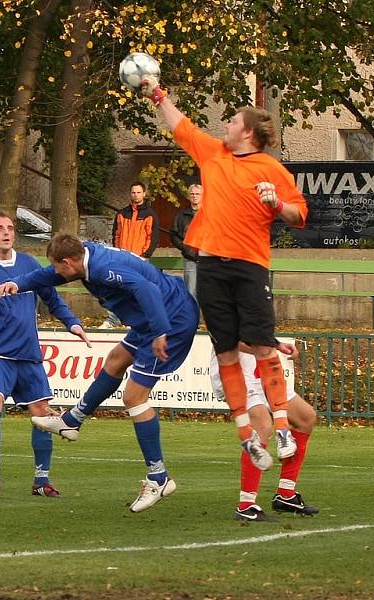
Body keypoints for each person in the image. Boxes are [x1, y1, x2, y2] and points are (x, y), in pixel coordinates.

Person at [141, 77, 308, 470]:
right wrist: (158, 95)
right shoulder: (214, 154)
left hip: (250, 267)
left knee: (264, 347)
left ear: (247, 132)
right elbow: (182, 127)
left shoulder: (270, 167)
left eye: (232, 121)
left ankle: (282, 427)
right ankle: (247, 436)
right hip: (211, 266)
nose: (226, 125)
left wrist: (277, 202)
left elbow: (300, 213)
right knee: (226, 352)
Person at [0, 233, 200, 512]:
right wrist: (17, 284)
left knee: (134, 397)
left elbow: (147, 290)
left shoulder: (103, 269)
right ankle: (72, 421)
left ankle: (159, 477)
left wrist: (160, 330)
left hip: (171, 320)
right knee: (115, 361)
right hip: (157, 315)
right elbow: (49, 275)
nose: (56, 272)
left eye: (58, 266)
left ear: (69, 262)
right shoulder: (85, 257)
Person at [0, 212, 91, 498]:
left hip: (28, 354)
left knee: (42, 414)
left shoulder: (29, 264)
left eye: (10, 228)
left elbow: (53, 300)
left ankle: (41, 481)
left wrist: (73, 323)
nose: (6, 233)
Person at [209, 342, 319, 521]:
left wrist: (277, 345)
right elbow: (228, 337)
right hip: (235, 372)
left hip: (261, 372)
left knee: (305, 418)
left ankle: (286, 494)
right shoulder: (226, 313)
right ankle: (246, 505)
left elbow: (258, 329)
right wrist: (267, 349)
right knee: (263, 425)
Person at [101, 181, 160, 328]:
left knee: (136, 290)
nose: (136, 195)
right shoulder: (122, 213)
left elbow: (152, 237)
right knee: (116, 288)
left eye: (139, 192)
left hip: (139, 259)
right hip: (121, 258)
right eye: (133, 192)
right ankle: (113, 319)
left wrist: (145, 255)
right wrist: (117, 253)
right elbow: (116, 234)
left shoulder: (150, 215)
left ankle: (132, 320)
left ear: (144, 194)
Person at [170, 184, 202, 298]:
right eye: (192, 194)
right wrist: (185, 248)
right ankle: (192, 316)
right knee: (190, 292)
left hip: (208, 259)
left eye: (197, 194)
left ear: (203, 196)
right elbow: (173, 234)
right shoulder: (181, 215)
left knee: (208, 294)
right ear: (189, 196)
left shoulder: (209, 214)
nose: (194, 196)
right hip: (190, 259)